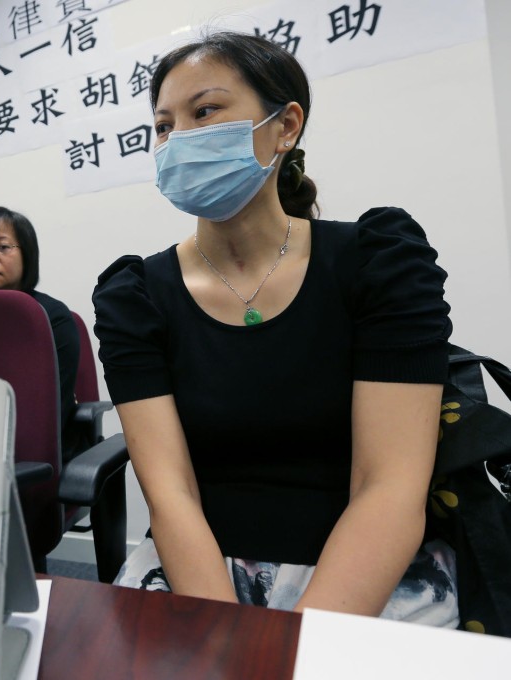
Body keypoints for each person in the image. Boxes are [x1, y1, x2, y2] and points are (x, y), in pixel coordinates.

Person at [93, 31, 457, 626]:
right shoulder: (136, 298)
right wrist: (229, 637)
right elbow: (170, 494)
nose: (178, 139)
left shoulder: (380, 264)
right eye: (163, 126)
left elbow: (389, 487)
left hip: (364, 573)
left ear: (285, 126)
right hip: (199, 570)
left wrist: (296, 644)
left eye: (204, 112)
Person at [0, 206, 81, 458]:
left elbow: (52, 411)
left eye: (3, 247)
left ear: (27, 254)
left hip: (39, 456)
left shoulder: (52, 316)